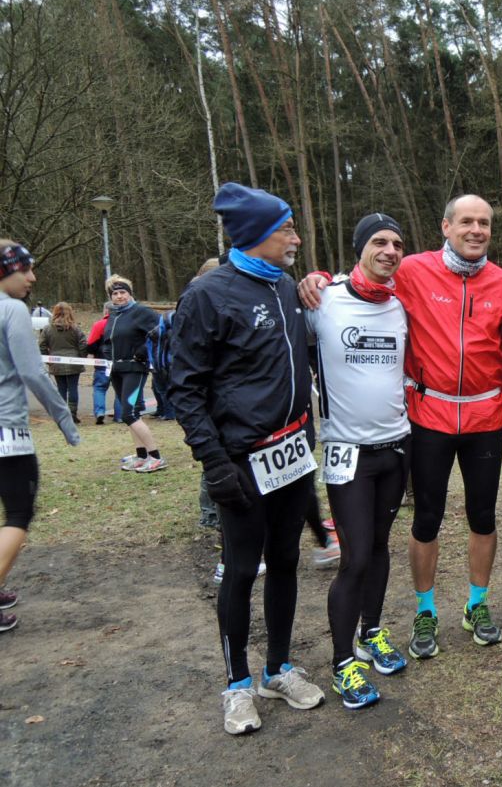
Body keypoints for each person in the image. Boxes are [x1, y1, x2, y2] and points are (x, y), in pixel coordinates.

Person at [300, 194, 502, 659]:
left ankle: (477, 604)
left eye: (484, 223)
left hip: (484, 416)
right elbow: (364, 277)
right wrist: (318, 277)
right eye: (467, 221)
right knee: (427, 517)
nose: (476, 230)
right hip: (427, 416)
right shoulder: (413, 270)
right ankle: (425, 610)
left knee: (483, 516)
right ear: (446, 227)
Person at [171, 183, 325, 735]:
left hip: (292, 453)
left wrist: (306, 434)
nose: (296, 238)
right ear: (257, 234)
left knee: (285, 560)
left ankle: (277, 669)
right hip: (239, 459)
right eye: (287, 229)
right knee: (241, 569)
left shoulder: (284, 286)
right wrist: (214, 462)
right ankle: (236, 684)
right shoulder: (207, 295)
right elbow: (184, 388)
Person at [307, 213, 411, 709]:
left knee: (382, 546)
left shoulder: (400, 303)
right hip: (347, 452)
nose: (389, 251)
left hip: (396, 446)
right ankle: (342, 661)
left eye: (397, 244)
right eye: (379, 242)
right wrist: (312, 278)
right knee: (355, 557)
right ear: (359, 248)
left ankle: (372, 633)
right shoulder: (323, 300)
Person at [0, 242, 80, 632]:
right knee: (18, 513)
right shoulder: (12, 309)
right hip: (6, 432)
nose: (32, 277)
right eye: (25, 270)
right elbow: (33, 372)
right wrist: (65, 421)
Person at [87, 275, 165, 472]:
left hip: (134, 369)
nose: (119, 296)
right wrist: (106, 353)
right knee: (130, 413)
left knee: (129, 414)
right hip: (116, 369)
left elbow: (162, 332)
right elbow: (108, 340)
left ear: (130, 294)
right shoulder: (114, 315)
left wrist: (143, 351)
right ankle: (141, 455)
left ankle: (156, 456)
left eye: (123, 292)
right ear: (110, 297)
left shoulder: (141, 312)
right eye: (115, 294)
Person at [39, 302, 87, 424]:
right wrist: (81, 358)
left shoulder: (47, 329)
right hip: (74, 362)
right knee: (73, 388)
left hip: (56, 362)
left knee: (61, 388)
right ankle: (72, 413)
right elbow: (83, 343)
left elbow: (42, 345)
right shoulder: (75, 328)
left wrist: (48, 359)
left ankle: (62, 415)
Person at [85, 304, 120, 424]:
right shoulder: (123, 324)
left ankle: (100, 412)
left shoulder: (99, 324)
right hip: (119, 361)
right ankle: (120, 416)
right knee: (120, 389)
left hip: (102, 361)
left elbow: (91, 344)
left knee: (99, 388)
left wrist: (93, 352)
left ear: (106, 311)